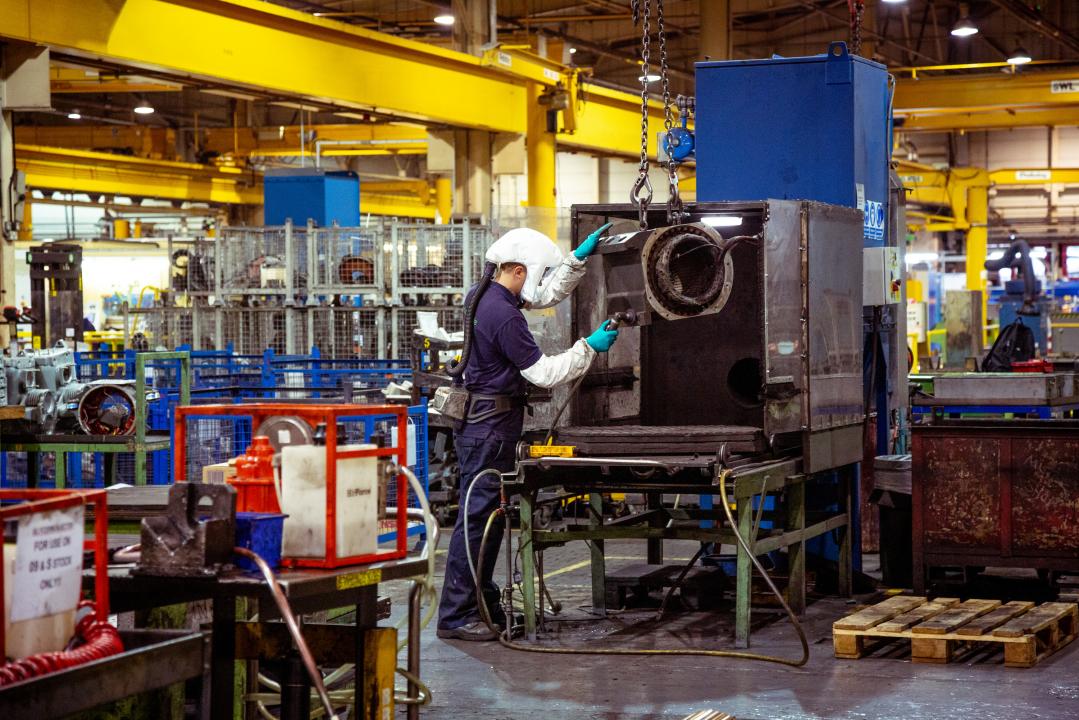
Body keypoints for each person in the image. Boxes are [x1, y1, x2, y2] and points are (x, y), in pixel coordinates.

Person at [436, 223, 619, 641]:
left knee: (486, 520)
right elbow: (543, 372)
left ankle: (476, 602)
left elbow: (544, 294)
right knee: (477, 521)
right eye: (533, 275)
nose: (533, 289)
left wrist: (576, 260)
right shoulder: (502, 313)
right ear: (519, 270)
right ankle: (455, 615)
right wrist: (588, 347)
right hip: (489, 431)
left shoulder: (486, 294)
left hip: (486, 428)